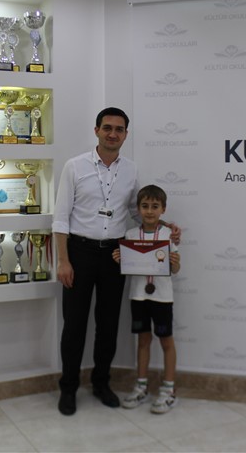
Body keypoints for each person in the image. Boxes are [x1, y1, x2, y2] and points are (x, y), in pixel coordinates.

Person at [52, 107, 178, 416]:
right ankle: (68, 388)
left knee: (108, 325)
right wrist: (63, 261)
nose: (112, 134)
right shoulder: (74, 166)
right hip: (79, 253)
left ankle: (101, 383)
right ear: (96, 130)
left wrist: (167, 226)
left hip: (115, 255)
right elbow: (61, 218)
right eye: (107, 128)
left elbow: (136, 212)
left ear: (125, 134)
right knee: (74, 325)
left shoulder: (131, 170)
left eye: (119, 129)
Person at [112, 185, 181, 414]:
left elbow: (176, 268)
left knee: (166, 341)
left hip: (162, 297)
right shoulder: (130, 236)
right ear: (138, 209)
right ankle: (141, 386)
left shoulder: (168, 235)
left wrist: (175, 263)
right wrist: (119, 259)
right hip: (139, 296)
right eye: (145, 206)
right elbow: (127, 265)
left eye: (155, 206)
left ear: (163, 209)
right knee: (143, 340)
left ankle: (169, 390)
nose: (150, 211)